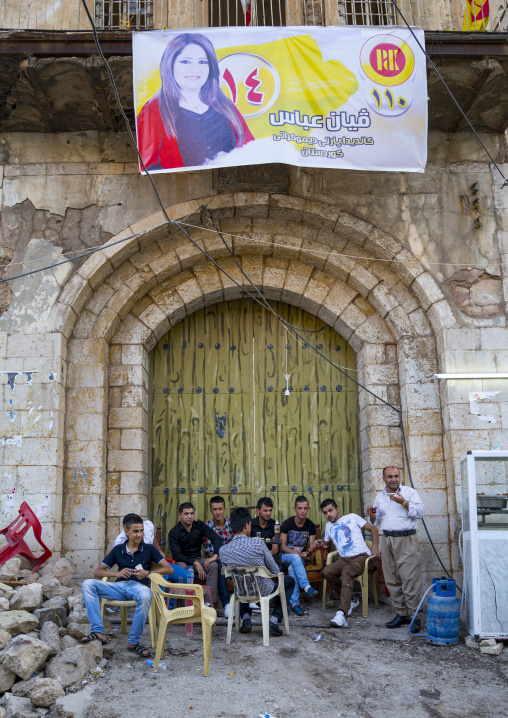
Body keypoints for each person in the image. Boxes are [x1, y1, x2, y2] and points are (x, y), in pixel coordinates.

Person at [136, 33, 254, 170]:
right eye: (186, 61)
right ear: (170, 65)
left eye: (202, 62)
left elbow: (249, 149)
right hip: (180, 187)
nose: (194, 69)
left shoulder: (225, 105)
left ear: (211, 67)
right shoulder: (153, 110)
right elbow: (147, 161)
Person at [81, 513, 186, 657]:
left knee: (146, 594)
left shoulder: (149, 548)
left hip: (139, 587)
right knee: (87, 584)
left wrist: (147, 573)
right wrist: (116, 574)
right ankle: (99, 632)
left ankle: (134, 642)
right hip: (119, 587)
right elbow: (97, 572)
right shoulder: (118, 550)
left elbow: (169, 569)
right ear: (126, 531)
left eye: (141, 531)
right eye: (135, 531)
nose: (139, 535)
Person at [366, 465, 425, 633]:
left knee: (409, 578)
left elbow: (421, 512)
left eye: (396, 476)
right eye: (390, 477)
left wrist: (404, 502)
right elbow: (376, 522)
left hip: (406, 538)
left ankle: (414, 616)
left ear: (400, 477)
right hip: (388, 539)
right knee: (392, 578)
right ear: (383, 479)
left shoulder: (409, 492)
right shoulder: (380, 496)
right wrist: (371, 514)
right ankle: (402, 613)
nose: (393, 479)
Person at [219, 507, 295, 636]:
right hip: (264, 591)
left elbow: (230, 576)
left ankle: (246, 618)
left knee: (243, 582)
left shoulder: (223, 550)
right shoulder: (257, 543)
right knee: (289, 581)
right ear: (246, 526)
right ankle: (274, 619)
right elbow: (275, 570)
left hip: (242, 592)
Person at [321, 498, 380, 628]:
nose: (328, 515)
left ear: (337, 509)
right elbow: (328, 544)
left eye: (330, 511)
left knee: (346, 571)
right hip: (345, 559)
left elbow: (374, 530)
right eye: (325, 513)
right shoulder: (328, 526)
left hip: (362, 557)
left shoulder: (352, 517)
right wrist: (324, 546)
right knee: (327, 571)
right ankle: (351, 600)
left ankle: (342, 614)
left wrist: (375, 547)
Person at [167, 502, 222, 606]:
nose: (189, 516)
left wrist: (214, 556)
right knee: (182, 568)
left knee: (213, 565)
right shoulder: (174, 532)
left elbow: (217, 538)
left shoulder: (199, 525)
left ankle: (208, 603)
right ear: (180, 515)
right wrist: (195, 563)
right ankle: (187, 604)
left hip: (198, 559)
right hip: (183, 561)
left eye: (192, 513)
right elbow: (177, 555)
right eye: (186, 514)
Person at [280, 495, 319, 616]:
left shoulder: (310, 526)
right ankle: (306, 587)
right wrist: (293, 552)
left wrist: (307, 552)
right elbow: (282, 546)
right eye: (300, 508)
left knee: (293, 568)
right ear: (295, 509)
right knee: (295, 559)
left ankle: (294, 604)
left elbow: (311, 546)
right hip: (285, 556)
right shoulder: (287, 524)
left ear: (308, 509)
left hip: (299, 558)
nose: (302, 511)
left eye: (305, 508)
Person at [203, 495, 233, 616]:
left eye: (220, 509)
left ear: (224, 509)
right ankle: (226, 604)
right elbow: (210, 553)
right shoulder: (207, 527)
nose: (218, 512)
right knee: (218, 564)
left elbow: (237, 547)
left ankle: (249, 600)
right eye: (215, 509)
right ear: (211, 510)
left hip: (233, 560)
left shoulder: (231, 524)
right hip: (219, 561)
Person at [251, 497, 281, 569]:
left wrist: (266, 555)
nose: (268, 513)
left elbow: (275, 549)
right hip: (254, 558)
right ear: (257, 510)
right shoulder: (251, 524)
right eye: (265, 511)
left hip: (271, 557)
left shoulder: (275, 525)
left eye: (270, 510)